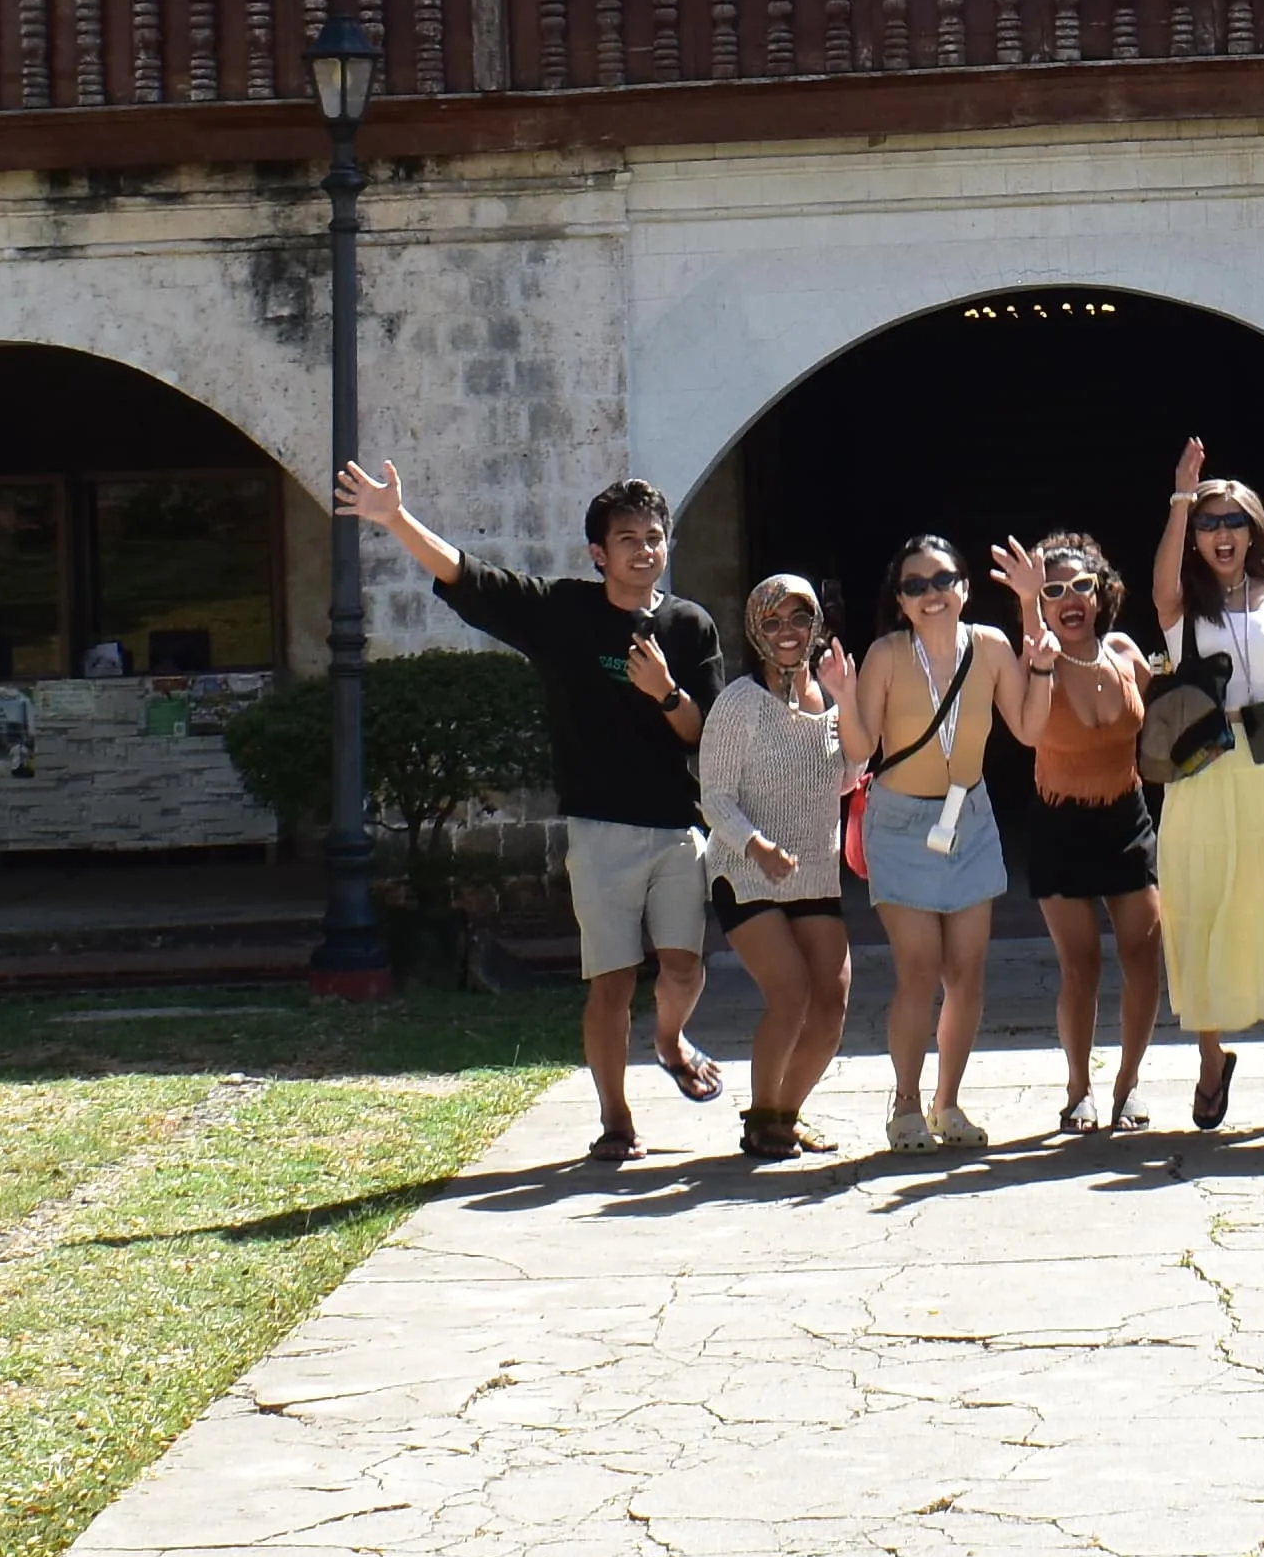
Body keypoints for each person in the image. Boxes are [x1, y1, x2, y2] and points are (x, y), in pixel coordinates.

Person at [339, 460, 727, 1168]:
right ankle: (616, 1120)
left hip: (677, 827)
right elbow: (469, 576)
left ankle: (671, 1042)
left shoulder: (690, 625)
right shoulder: (564, 613)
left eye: (654, 537)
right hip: (599, 828)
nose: (644, 550)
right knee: (612, 981)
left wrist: (666, 692)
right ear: (598, 553)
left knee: (683, 969)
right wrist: (394, 519)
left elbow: (703, 733)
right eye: (628, 539)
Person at [1147, 440, 1264, 1130]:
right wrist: (1180, 496)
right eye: (1208, 523)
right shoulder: (1182, 602)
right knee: (1201, 900)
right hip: (1203, 760)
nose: (1221, 534)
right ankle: (1210, 1058)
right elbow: (1161, 585)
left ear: (1254, 530)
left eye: (1233, 521)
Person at [992, 533, 1166, 1137]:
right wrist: (1027, 608)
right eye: (1054, 591)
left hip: (1126, 816)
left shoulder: (1125, 653)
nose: (1069, 600)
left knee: (1144, 956)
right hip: (1059, 823)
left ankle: (1129, 1084)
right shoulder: (1034, 663)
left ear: (1101, 593)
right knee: (1080, 965)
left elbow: (1160, 724)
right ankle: (1078, 1089)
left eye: (1080, 587)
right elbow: (1029, 724)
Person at [852, 530, 1021, 1151]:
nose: (932, 593)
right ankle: (905, 1103)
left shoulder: (993, 646)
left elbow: (1029, 728)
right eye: (916, 585)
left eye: (943, 580)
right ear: (900, 600)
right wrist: (843, 697)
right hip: (900, 823)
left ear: (965, 588)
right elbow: (859, 749)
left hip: (969, 818)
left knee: (967, 972)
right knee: (919, 968)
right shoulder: (887, 654)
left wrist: (1034, 614)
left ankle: (947, 1103)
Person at [698, 572, 863, 1161]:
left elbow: (850, 775)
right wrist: (757, 846)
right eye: (772, 621)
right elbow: (715, 799)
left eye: (799, 618)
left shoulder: (833, 697)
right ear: (754, 630)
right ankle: (762, 1118)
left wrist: (848, 699)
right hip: (746, 871)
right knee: (790, 992)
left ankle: (785, 1114)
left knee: (832, 1002)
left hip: (813, 871)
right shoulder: (737, 704)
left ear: (817, 625)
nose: (787, 631)